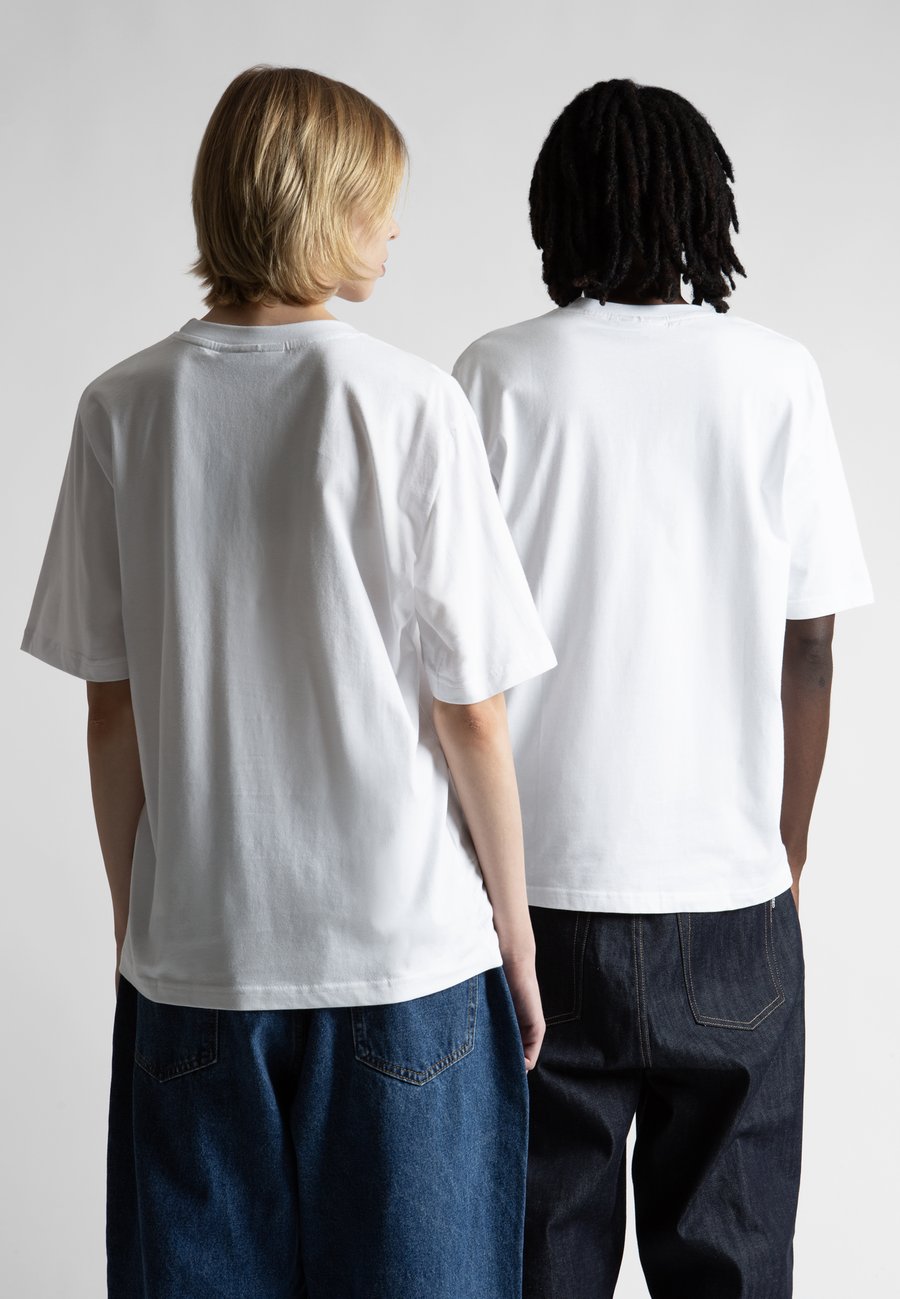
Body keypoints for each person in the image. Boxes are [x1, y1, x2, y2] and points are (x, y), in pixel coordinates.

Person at [20, 65, 556, 1298]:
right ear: (319, 204)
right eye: (377, 200)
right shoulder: (412, 404)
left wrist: (141, 926)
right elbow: (472, 712)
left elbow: (110, 708)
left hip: (199, 966)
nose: (396, 227)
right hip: (405, 965)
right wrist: (518, 939)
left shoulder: (121, 409)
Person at [453, 77, 873, 1299]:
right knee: (734, 1270)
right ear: (700, 210)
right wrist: (787, 848)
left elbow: (449, 659)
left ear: (556, 213)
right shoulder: (776, 374)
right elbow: (812, 647)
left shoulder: (497, 376)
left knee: (537, 1267)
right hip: (732, 897)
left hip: (535, 899)